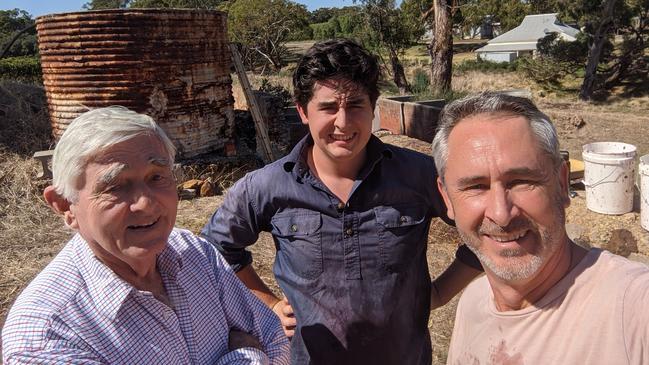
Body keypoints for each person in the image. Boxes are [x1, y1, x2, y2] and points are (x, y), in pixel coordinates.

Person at [200, 39, 482, 364]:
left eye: (356, 105)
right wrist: (269, 303)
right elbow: (215, 248)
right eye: (329, 107)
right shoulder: (267, 185)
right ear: (303, 111)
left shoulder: (419, 174)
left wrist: (440, 292)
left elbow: (484, 225)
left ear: (373, 109)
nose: (343, 122)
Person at [2, 107, 289, 364]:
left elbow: (274, 339)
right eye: (115, 186)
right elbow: (263, 348)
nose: (146, 203)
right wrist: (246, 355)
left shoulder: (194, 253)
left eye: (156, 177)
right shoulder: (48, 336)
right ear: (66, 205)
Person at [432, 92, 649, 365]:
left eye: (522, 180)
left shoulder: (633, 310)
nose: (501, 214)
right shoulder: (473, 302)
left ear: (561, 183)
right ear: (447, 199)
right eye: (476, 186)